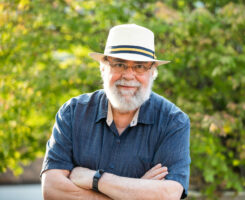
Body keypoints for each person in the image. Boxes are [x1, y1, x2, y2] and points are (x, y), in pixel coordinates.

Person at [41, 24, 191, 200]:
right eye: (119, 64)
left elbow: (168, 194)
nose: (128, 75)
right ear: (103, 68)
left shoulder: (173, 121)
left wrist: (96, 179)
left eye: (140, 66)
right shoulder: (72, 113)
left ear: (153, 73)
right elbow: (52, 190)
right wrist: (135, 191)